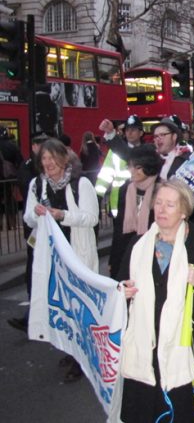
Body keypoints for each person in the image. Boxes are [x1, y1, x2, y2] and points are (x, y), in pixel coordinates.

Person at [119, 179, 194, 423]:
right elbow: (118, 285)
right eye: (158, 203)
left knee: (177, 414)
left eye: (170, 205)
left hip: (180, 349)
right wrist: (122, 291)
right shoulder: (138, 246)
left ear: (184, 212)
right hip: (142, 348)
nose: (161, 209)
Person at [23, 138, 99, 382]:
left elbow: (91, 218)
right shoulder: (37, 185)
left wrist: (62, 215)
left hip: (77, 252)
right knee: (61, 308)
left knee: (79, 306)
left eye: (52, 158)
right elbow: (28, 218)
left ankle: (82, 356)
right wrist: (36, 215)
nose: (48, 163)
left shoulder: (81, 183)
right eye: (44, 159)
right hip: (52, 256)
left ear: (64, 159)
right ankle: (70, 349)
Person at [7, 133, 47, 333]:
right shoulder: (28, 168)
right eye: (40, 144)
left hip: (49, 230)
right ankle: (33, 314)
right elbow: (30, 198)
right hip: (35, 232)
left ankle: (34, 315)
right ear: (33, 146)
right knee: (34, 272)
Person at [109, 144, 161, 279]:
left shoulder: (161, 189)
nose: (132, 171)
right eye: (130, 166)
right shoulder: (126, 189)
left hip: (153, 251)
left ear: (149, 167)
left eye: (138, 167)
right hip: (127, 249)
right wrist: (113, 259)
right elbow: (119, 226)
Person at [97, 115, 145, 217]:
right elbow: (104, 176)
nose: (129, 133)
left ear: (141, 133)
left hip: (140, 206)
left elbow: (129, 154)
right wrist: (97, 198)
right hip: (119, 205)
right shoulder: (114, 152)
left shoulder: (147, 151)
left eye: (133, 130)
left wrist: (111, 134)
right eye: (127, 130)